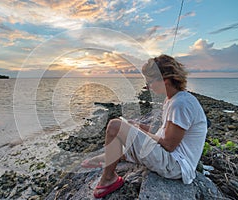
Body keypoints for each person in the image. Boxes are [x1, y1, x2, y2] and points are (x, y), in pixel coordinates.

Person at [81, 54, 208, 198]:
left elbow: (168, 144)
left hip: (176, 166)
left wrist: (133, 130)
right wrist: (137, 126)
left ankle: (108, 179)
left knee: (115, 126)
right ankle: (106, 157)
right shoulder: (172, 99)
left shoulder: (180, 104)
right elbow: (160, 132)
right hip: (171, 158)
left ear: (164, 80)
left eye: (149, 82)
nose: (147, 86)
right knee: (125, 135)